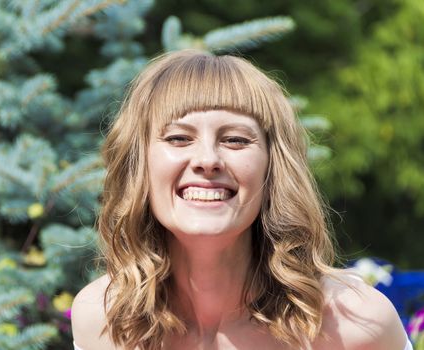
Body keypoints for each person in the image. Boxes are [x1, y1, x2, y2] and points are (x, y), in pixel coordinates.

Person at [71, 50, 412, 350]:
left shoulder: (356, 324)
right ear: (138, 165)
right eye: (178, 138)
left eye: (235, 140)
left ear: (272, 167)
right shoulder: (102, 321)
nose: (207, 159)